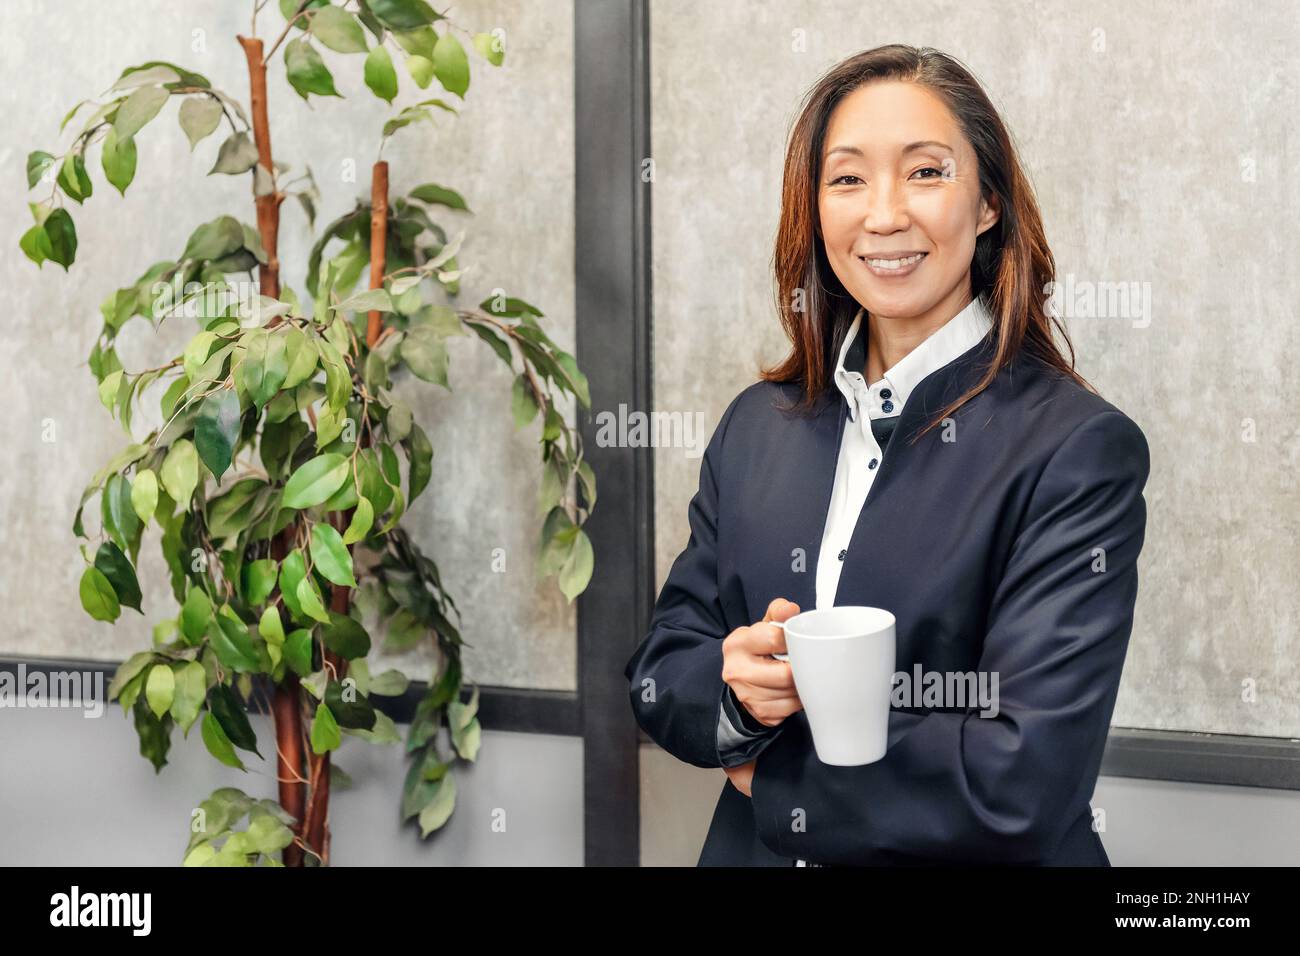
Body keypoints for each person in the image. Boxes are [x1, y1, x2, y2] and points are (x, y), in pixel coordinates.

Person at [624, 44, 1150, 866]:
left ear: (987, 206)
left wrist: (771, 774)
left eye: (926, 172)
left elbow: (1023, 778)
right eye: (847, 178)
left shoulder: (1075, 448)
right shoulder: (758, 425)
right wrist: (736, 694)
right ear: (815, 209)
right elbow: (663, 665)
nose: (883, 214)